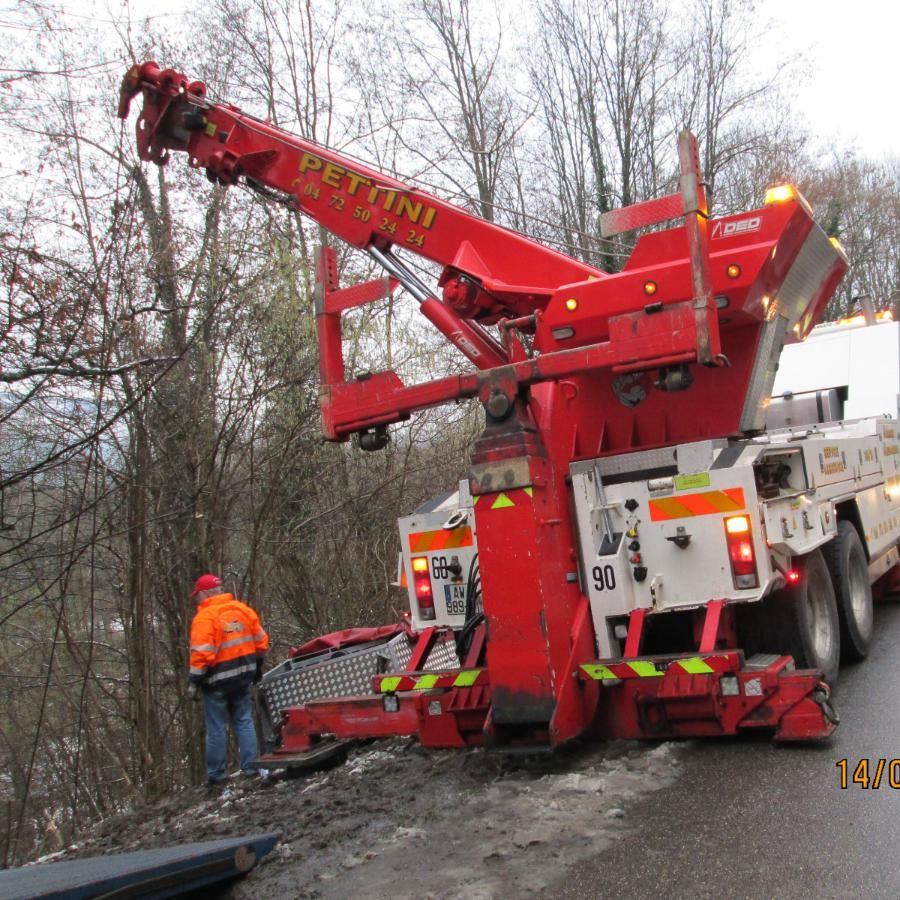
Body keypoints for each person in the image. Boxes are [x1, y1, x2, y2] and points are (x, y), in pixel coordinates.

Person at [187, 573, 270, 785]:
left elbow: (202, 654)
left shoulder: (204, 618)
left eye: (197, 595)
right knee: (244, 720)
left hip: (216, 681)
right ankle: (251, 767)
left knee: (216, 726)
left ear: (204, 593)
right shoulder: (242, 610)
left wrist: (194, 682)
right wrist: (257, 666)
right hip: (244, 676)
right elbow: (261, 642)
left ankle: (216, 775)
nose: (196, 599)